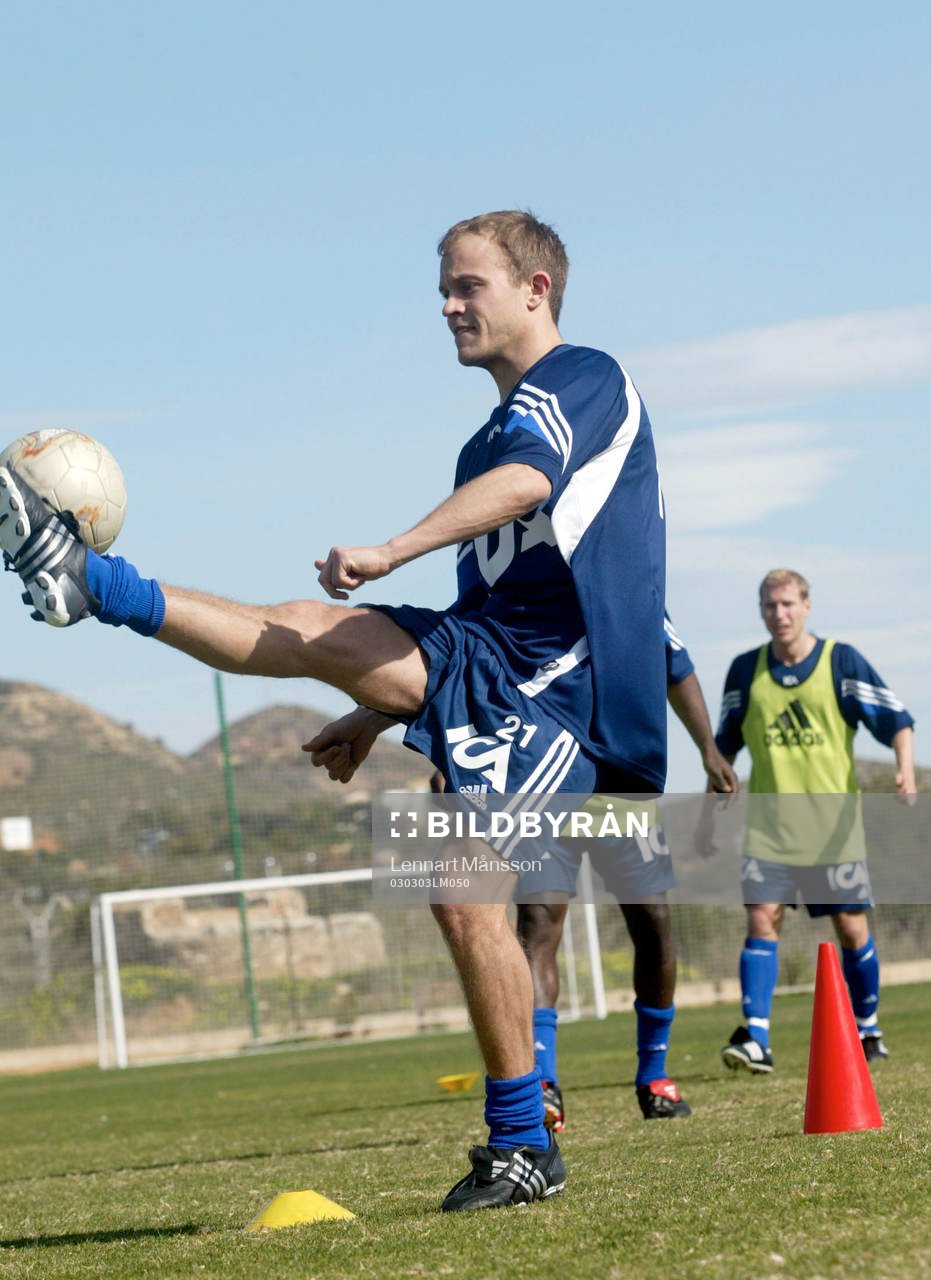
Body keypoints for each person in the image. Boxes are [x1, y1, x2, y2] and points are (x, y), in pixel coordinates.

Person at [0, 210, 669, 1212]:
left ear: (535, 288)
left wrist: (394, 548)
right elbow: (474, 609)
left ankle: (526, 1141)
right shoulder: (481, 440)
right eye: (442, 287)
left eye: (466, 285)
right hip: (494, 659)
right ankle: (99, 585)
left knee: (460, 887)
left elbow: (532, 480)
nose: (447, 305)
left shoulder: (583, 379)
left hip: (566, 691)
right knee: (313, 626)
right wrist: (370, 707)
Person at [712, 568, 916, 1073]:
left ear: (806, 606)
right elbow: (723, 748)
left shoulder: (841, 662)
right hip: (768, 831)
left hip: (834, 831)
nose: (778, 615)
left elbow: (899, 720)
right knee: (762, 919)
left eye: (786, 604)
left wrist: (905, 772)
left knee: (851, 928)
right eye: (769, 606)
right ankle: (756, 1037)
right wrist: (707, 813)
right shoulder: (745, 671)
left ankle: (868, 1028)